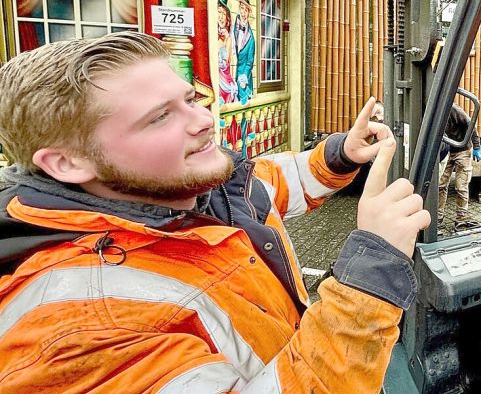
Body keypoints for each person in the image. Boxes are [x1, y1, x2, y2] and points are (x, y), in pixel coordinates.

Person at [0, 32, 430, 393]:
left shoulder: (194, 187)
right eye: (159, 118)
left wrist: (339, 157)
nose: (204, 120)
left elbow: (273, 182)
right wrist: (371, 274)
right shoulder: (74, 333)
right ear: (67, 163)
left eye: (190, 98)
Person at [438, 103, 481, 229]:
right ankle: (438, 217)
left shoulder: (453, 109)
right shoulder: (432, 110)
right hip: (446, 151)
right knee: (440, 185)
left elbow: (471, 124)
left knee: (461, 186)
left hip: (463, 149)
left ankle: (461, 217)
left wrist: (477, 146)